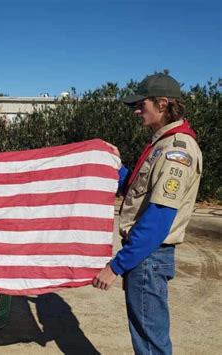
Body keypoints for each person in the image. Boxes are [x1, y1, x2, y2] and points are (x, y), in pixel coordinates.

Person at [92, 73, 202, 354]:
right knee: (147, 337)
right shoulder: (162, 145)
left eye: (142, 105)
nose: (137, 111)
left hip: (148, 257)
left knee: (150, 343)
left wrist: (116, 266)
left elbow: (158, 218)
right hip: (147, 258)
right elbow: (137, 190)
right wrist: (114, 166)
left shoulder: (177, 150)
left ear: (163, 103)